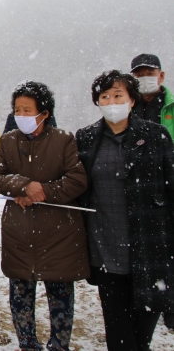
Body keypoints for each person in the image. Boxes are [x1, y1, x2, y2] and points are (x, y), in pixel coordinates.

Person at [75, 70, 174, 351]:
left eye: (118, 95)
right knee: (118, 332)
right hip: (106, 247)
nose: (111, 101)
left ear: (132, 100)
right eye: (105, 96)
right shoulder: (86, 138)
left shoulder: (155, 135)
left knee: (142, 332)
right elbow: (75, 184)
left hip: (149, 245)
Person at [0, 81, 89, 351]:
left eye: (27, 110)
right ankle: (27, 343)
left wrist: (42, 191)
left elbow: (77, 181)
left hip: (59, 233)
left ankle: (59, 344)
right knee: (20, 294)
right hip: (19, 231)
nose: (21, 115)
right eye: (17, 110)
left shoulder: (64, 140)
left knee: (60, 296)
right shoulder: (8, 140)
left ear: (44, 113)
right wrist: (21, 186)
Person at [129, 54, 174, 331]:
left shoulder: (169, 108)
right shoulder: (127, 107)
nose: (144, 78)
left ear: (161, 76)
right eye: (139, 74)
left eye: (149, 72)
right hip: (138, 188)